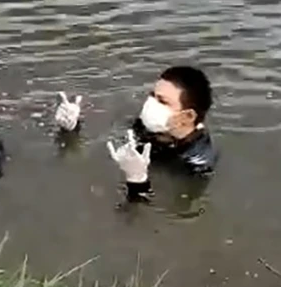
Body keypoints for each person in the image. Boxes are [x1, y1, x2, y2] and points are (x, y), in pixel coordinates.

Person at [55, 66, 218, 203]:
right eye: (152, 95)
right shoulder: (146, 126)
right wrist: (71, 129)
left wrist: (137, 181)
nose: (151, 104)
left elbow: (157, 214)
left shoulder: (198, 162)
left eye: (162, 101)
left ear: (188, 116)